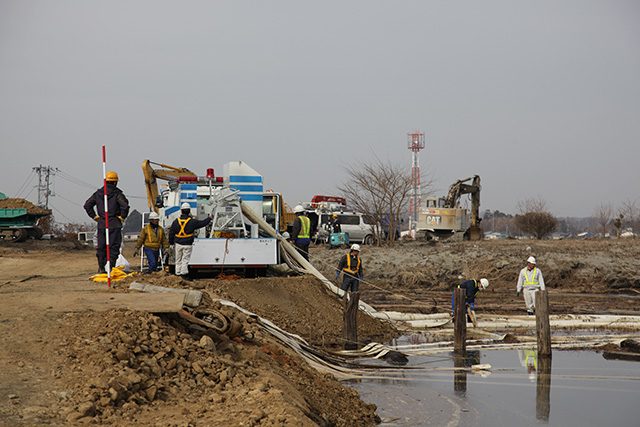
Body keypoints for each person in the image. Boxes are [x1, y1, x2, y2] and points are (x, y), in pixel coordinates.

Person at [84, 171, 130, 274]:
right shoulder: (118, 194)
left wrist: (95, 216)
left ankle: (102, 269)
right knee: (113, 248)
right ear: (115, 183)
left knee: (101, 248)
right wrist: (122, 217)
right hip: (114, 224)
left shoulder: (98, 193)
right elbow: (125, 206)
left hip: (102, 224)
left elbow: (87, 205)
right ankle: (111, 269)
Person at [168, 202, 213, 280]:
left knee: (178, 260)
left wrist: (171, 242)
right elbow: (203, 223)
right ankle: (184, 275)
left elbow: (171, 233)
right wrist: (209, 218)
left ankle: (177, 274)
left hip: (178, 243)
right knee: (185, 260)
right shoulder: (192, 221)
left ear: (181, 211)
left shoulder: (176, 221)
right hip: (187, 244)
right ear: (189, 211)